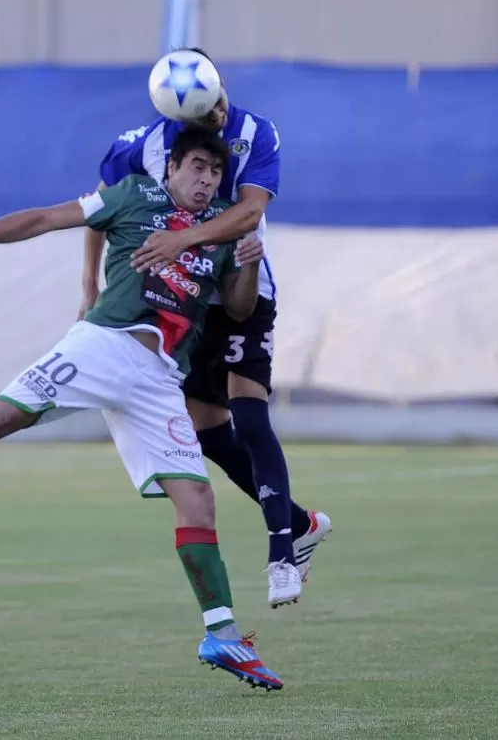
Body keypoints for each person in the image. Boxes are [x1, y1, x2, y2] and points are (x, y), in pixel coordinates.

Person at [0, 128, 284, 691]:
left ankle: (221, 634)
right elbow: (44, 220)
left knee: (198, 500)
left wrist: (244, 262)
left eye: (214, 172)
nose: (205, 180)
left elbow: (239, 309)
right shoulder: (133, 195)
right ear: (171, 168)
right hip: (103, 345)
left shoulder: (221, 226)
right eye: (195, 167)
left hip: (160, 378)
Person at [79, 48, 331, 609]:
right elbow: (101, 208)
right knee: (208, 432)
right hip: (187, 301)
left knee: (249, 410)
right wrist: (89, 286)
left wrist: (180, 240)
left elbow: (248, 212)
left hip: (245, 288)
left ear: (220, 87)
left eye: (216, 103)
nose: (214, 116)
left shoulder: (257, 132)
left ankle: (282, 552)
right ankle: (301, 521)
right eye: (199, 117)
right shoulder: (141, 147)